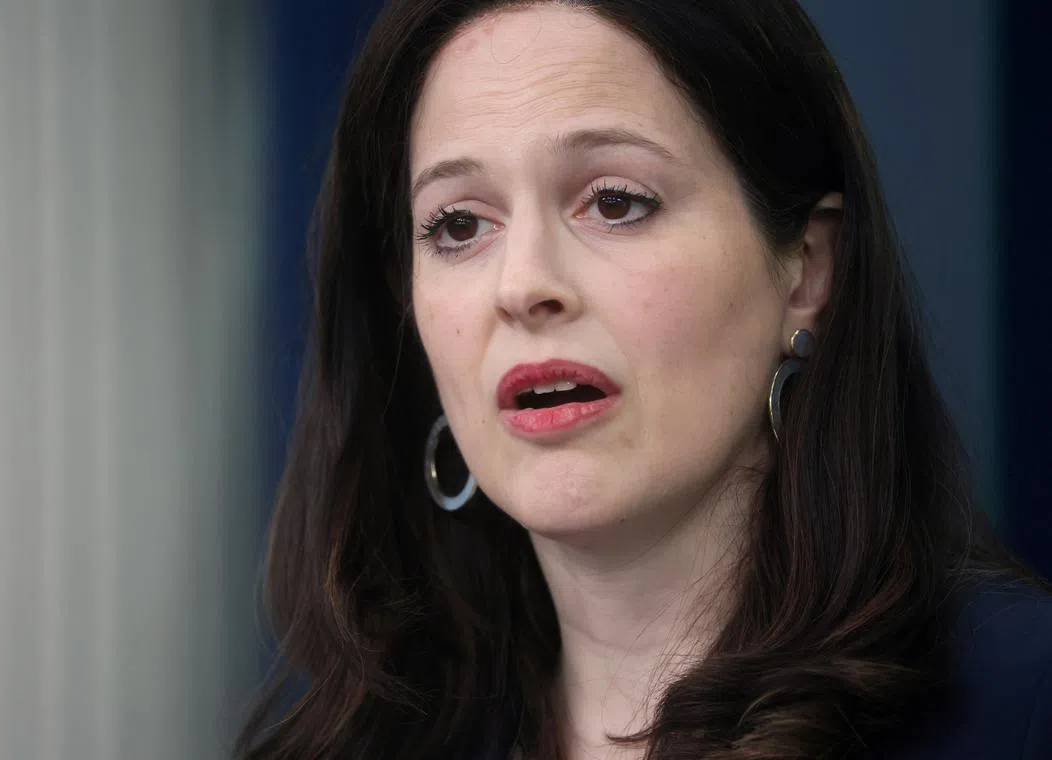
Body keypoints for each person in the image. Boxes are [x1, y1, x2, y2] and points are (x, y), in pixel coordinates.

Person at [236, 1, 1052, 758]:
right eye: (458, 225)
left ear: (807, 271)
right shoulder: (370, 743)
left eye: (616, 203)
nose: (522, 286)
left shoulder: (1022, 702)